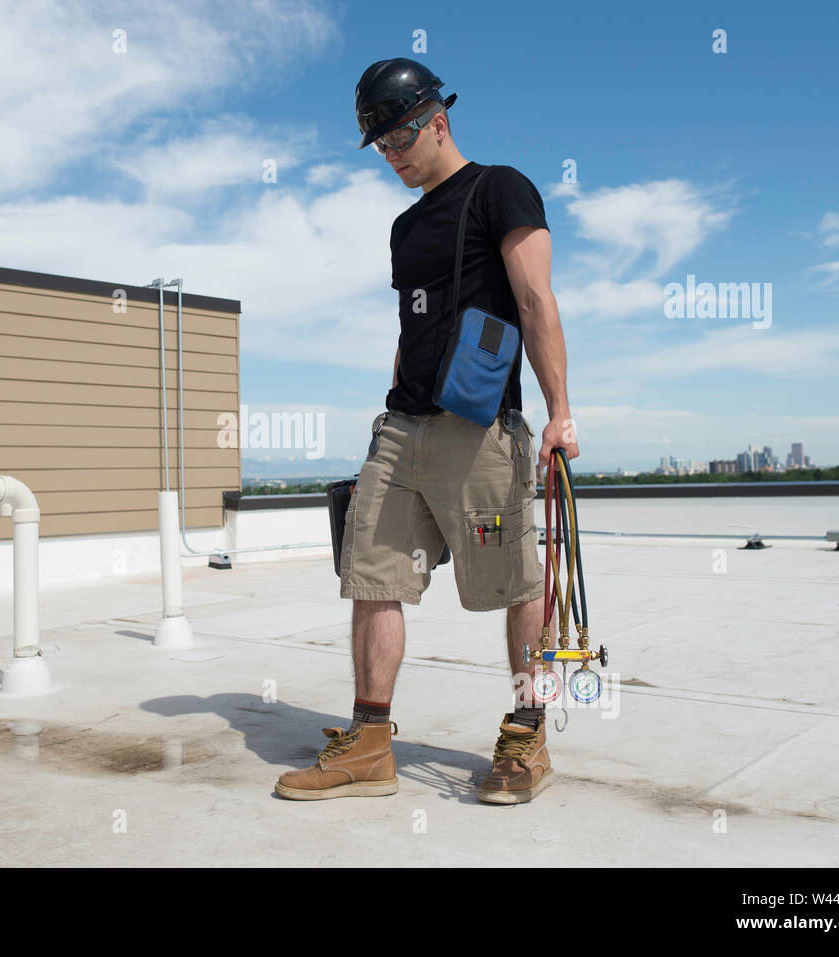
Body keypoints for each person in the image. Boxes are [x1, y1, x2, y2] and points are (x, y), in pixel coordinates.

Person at [275, 58, 579, 804]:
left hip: (479, 430)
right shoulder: (405, 225)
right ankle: (370, 742)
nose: (392, 156)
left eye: (399, 139)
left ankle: (526, 734)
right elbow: (411, 327)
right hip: (401, 428)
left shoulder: (501, 188)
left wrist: (559, 410)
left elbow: (535, 301)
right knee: (371, 575)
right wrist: (388, 413)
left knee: (515, 585)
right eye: (380, 147)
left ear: (437, 119)